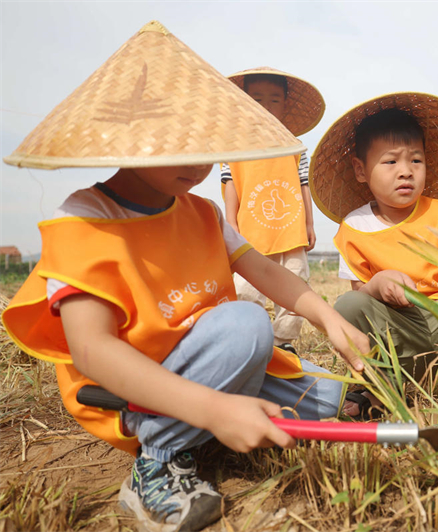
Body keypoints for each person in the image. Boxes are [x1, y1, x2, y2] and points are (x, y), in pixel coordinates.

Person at [2, 22, 367, 532]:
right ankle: (158, 457)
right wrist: (213, 408)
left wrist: (327, 316)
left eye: (209, 141)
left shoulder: (201, 212)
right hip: (132, 391)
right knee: (246, 325)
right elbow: (92, 352)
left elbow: (262, 269)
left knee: (334, 399)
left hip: (208, 362)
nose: (199, 161)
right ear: (127, 133)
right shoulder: (86, 216)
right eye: (179, 141)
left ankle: (212, 418)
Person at [308, 93, 438, 419]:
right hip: (401, 335)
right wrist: (377, 284)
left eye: (415, 161)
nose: (405, 171)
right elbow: (359, 300)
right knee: (347, 307)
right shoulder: (354, 227)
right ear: (361, 170)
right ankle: (380, 385)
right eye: (391, 162)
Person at [220, 67, 325, 355]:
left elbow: (305, 185)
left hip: (290, 230)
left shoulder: (295, 145)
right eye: (258, 99)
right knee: (244, 288)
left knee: (296, 283)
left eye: (274, 100)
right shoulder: (235, 145)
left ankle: (283, 343)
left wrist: (309, 224)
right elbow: (230, 184)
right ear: (245, 102)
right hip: (251, 231)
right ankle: (250, 340)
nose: (266, 106)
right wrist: (231, 223)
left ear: (286, 104)